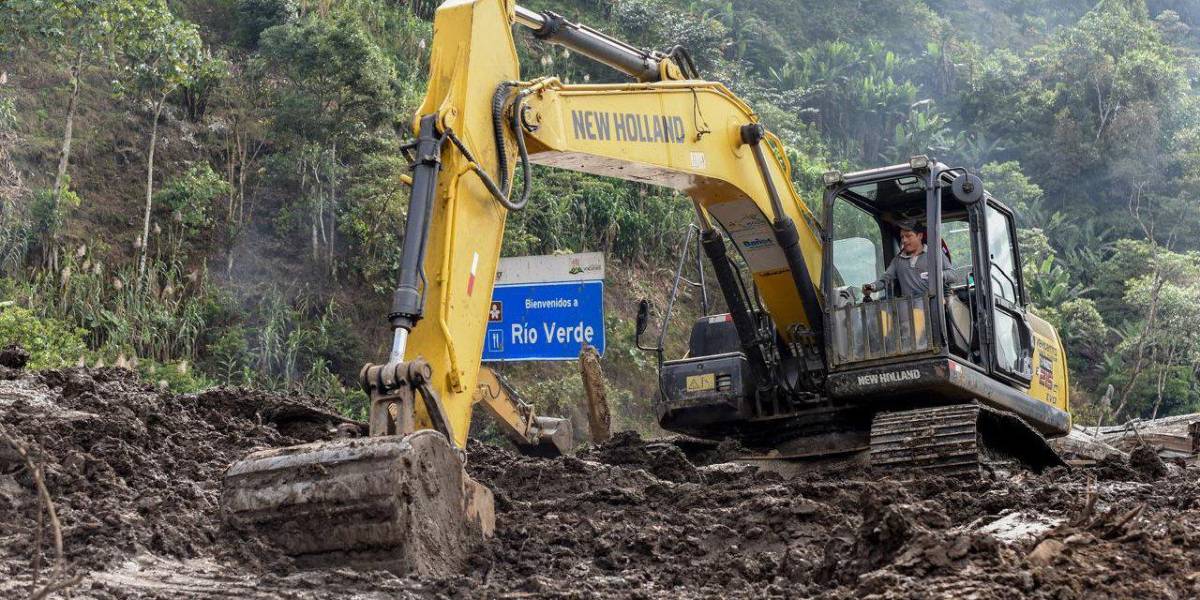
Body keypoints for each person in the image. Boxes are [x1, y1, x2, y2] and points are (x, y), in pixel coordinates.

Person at [862, 219, 956, 298]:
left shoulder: (935, 253)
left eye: (908, 236)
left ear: (920, 236)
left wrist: (938, 275)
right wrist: (872, 287)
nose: (904, 240)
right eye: (902, 237)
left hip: (935, 306)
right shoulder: (897, 260)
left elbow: (953, 276)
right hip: (910, 309)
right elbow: (885, 280)